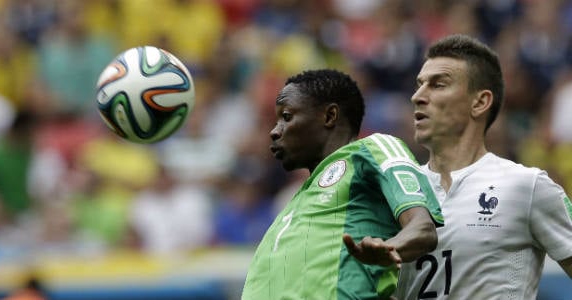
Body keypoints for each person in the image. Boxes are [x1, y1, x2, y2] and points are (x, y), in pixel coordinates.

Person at [394, 34, 572, 299]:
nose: (418, 96)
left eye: (438, 85)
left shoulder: (527, 186)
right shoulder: (397, 190)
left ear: (479, 102)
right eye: (419, 85)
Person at [241, 69, 444, 299]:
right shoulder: (298, 199)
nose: (274, 131)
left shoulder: (372, 149)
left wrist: (390, 248)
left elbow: (422, 228)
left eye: (286, 117)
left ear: (329, 116)